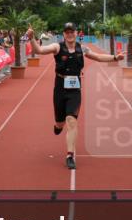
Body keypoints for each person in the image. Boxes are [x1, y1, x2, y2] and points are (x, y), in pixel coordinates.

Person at [26, 22, 123, 170]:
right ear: (64, 34)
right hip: (60, 87)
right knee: (60, 122)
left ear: (76, 33)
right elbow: (39, 50)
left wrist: (115, 57)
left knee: (71, 121)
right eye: (67, 32)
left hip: (75, 89)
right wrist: (32, 38)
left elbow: (98, 57)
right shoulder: (57, 47)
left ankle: (70, 155)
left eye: (72, 32)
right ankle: (58, 126)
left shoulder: (82, 49)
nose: (70, 34)